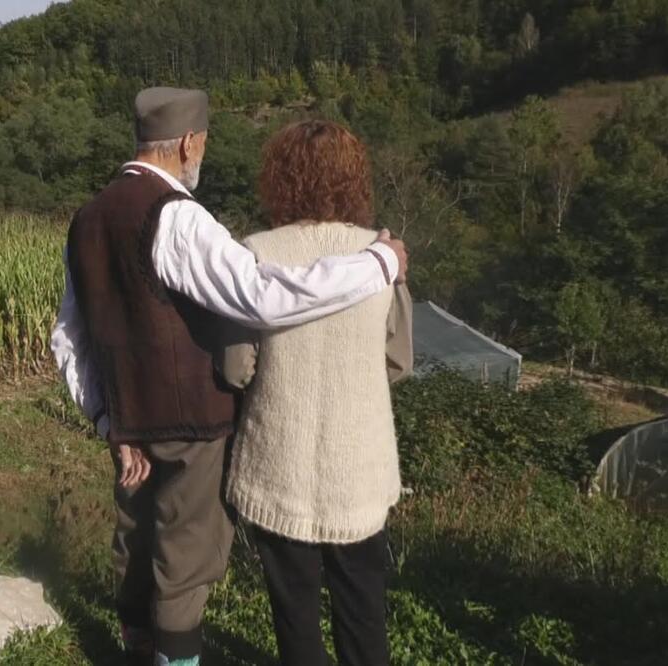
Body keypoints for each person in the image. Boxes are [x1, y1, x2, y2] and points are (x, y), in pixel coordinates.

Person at [50, 88, 408, 666]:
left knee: (142, 544)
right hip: (210, 428)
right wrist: (380, 263)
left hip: (146, 428)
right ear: (189, 143)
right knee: (190, 560)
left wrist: (105, 418)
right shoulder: (180, 217)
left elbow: (69, 336)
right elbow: (262, 297)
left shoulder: (87, 219)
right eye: (204, 144)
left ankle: (138, 649)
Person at [220, 119, 414, 666]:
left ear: (278, 179)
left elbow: (236, 369)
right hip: (359, 468)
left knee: (295, 618)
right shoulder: (381, 255)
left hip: (277, 463)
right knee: (364, 613)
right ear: (354, 180)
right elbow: (399, 362)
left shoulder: (255, 252)